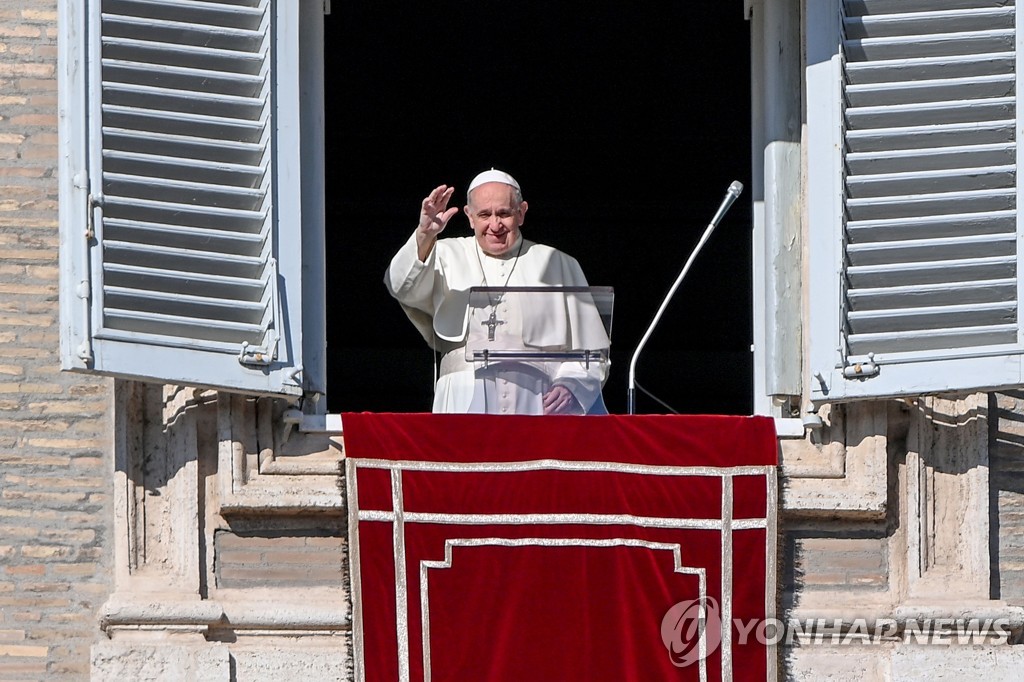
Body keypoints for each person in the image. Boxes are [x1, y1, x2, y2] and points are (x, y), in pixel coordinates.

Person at [385, 169, 608, 415]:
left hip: (537, 401)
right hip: (463, 399)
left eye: (504, 213)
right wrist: (424, 235)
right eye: (484, 214)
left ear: (521, 213)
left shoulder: (558, 263)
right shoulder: (444, 254)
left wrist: (572, 384)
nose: (495, 225)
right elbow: (401, 285)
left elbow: (593, 348)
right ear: (469, 217)